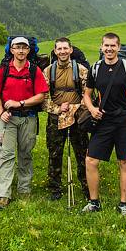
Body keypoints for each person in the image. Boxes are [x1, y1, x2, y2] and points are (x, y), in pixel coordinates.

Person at [81, 32, 126, 215]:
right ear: (101, 47)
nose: (109, 49)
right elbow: (87, 94)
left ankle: (123, 204)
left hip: (125, 121)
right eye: (106, 46)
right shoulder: (95, 68)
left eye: (113, 46)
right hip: (103, 121)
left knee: (124, 161)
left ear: (118, 47)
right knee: (91, 160)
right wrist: (92, 109)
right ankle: (94, 203)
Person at [0, 37, 49, 209]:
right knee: (6, 154)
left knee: (25, 153)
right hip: (7, 118)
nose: (21, 51)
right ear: (11, 50)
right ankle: (3, 194)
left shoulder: (34, 70)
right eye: (17, 47)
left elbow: (41, 95)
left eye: (24, 48)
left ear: (29, 51)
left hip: (27, 117)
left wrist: (20, 103)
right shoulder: (4, 69)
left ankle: (24, 190)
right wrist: (0, 113)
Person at [42, 37, 90, 201]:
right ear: (55, 52)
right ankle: (55, 188)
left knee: (82, 154)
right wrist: (57, 109)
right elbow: (43, 97)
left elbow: (88, 94)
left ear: (71, 50)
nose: (62, 52)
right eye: (59, 49)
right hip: (55, 118)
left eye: (65, 48)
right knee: (54, 154)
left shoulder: (82, 70)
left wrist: (77, 109)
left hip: (78, 118)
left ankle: (87, 187)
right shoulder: (48, 71)